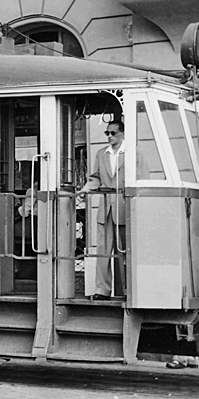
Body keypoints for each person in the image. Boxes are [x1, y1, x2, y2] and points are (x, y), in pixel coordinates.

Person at [78, 119, 126, 300]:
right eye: (107, 133)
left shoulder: (133, 153)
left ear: (122, 133)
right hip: (106, 208)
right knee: (103, 251)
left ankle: (128, 290)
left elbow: (141, 178)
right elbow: (95, 178)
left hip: (125, 207)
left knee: (126, 251)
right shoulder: (101, 154)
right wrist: (85, 190)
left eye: (113, 133)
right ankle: (102, 291)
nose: (109, 137)